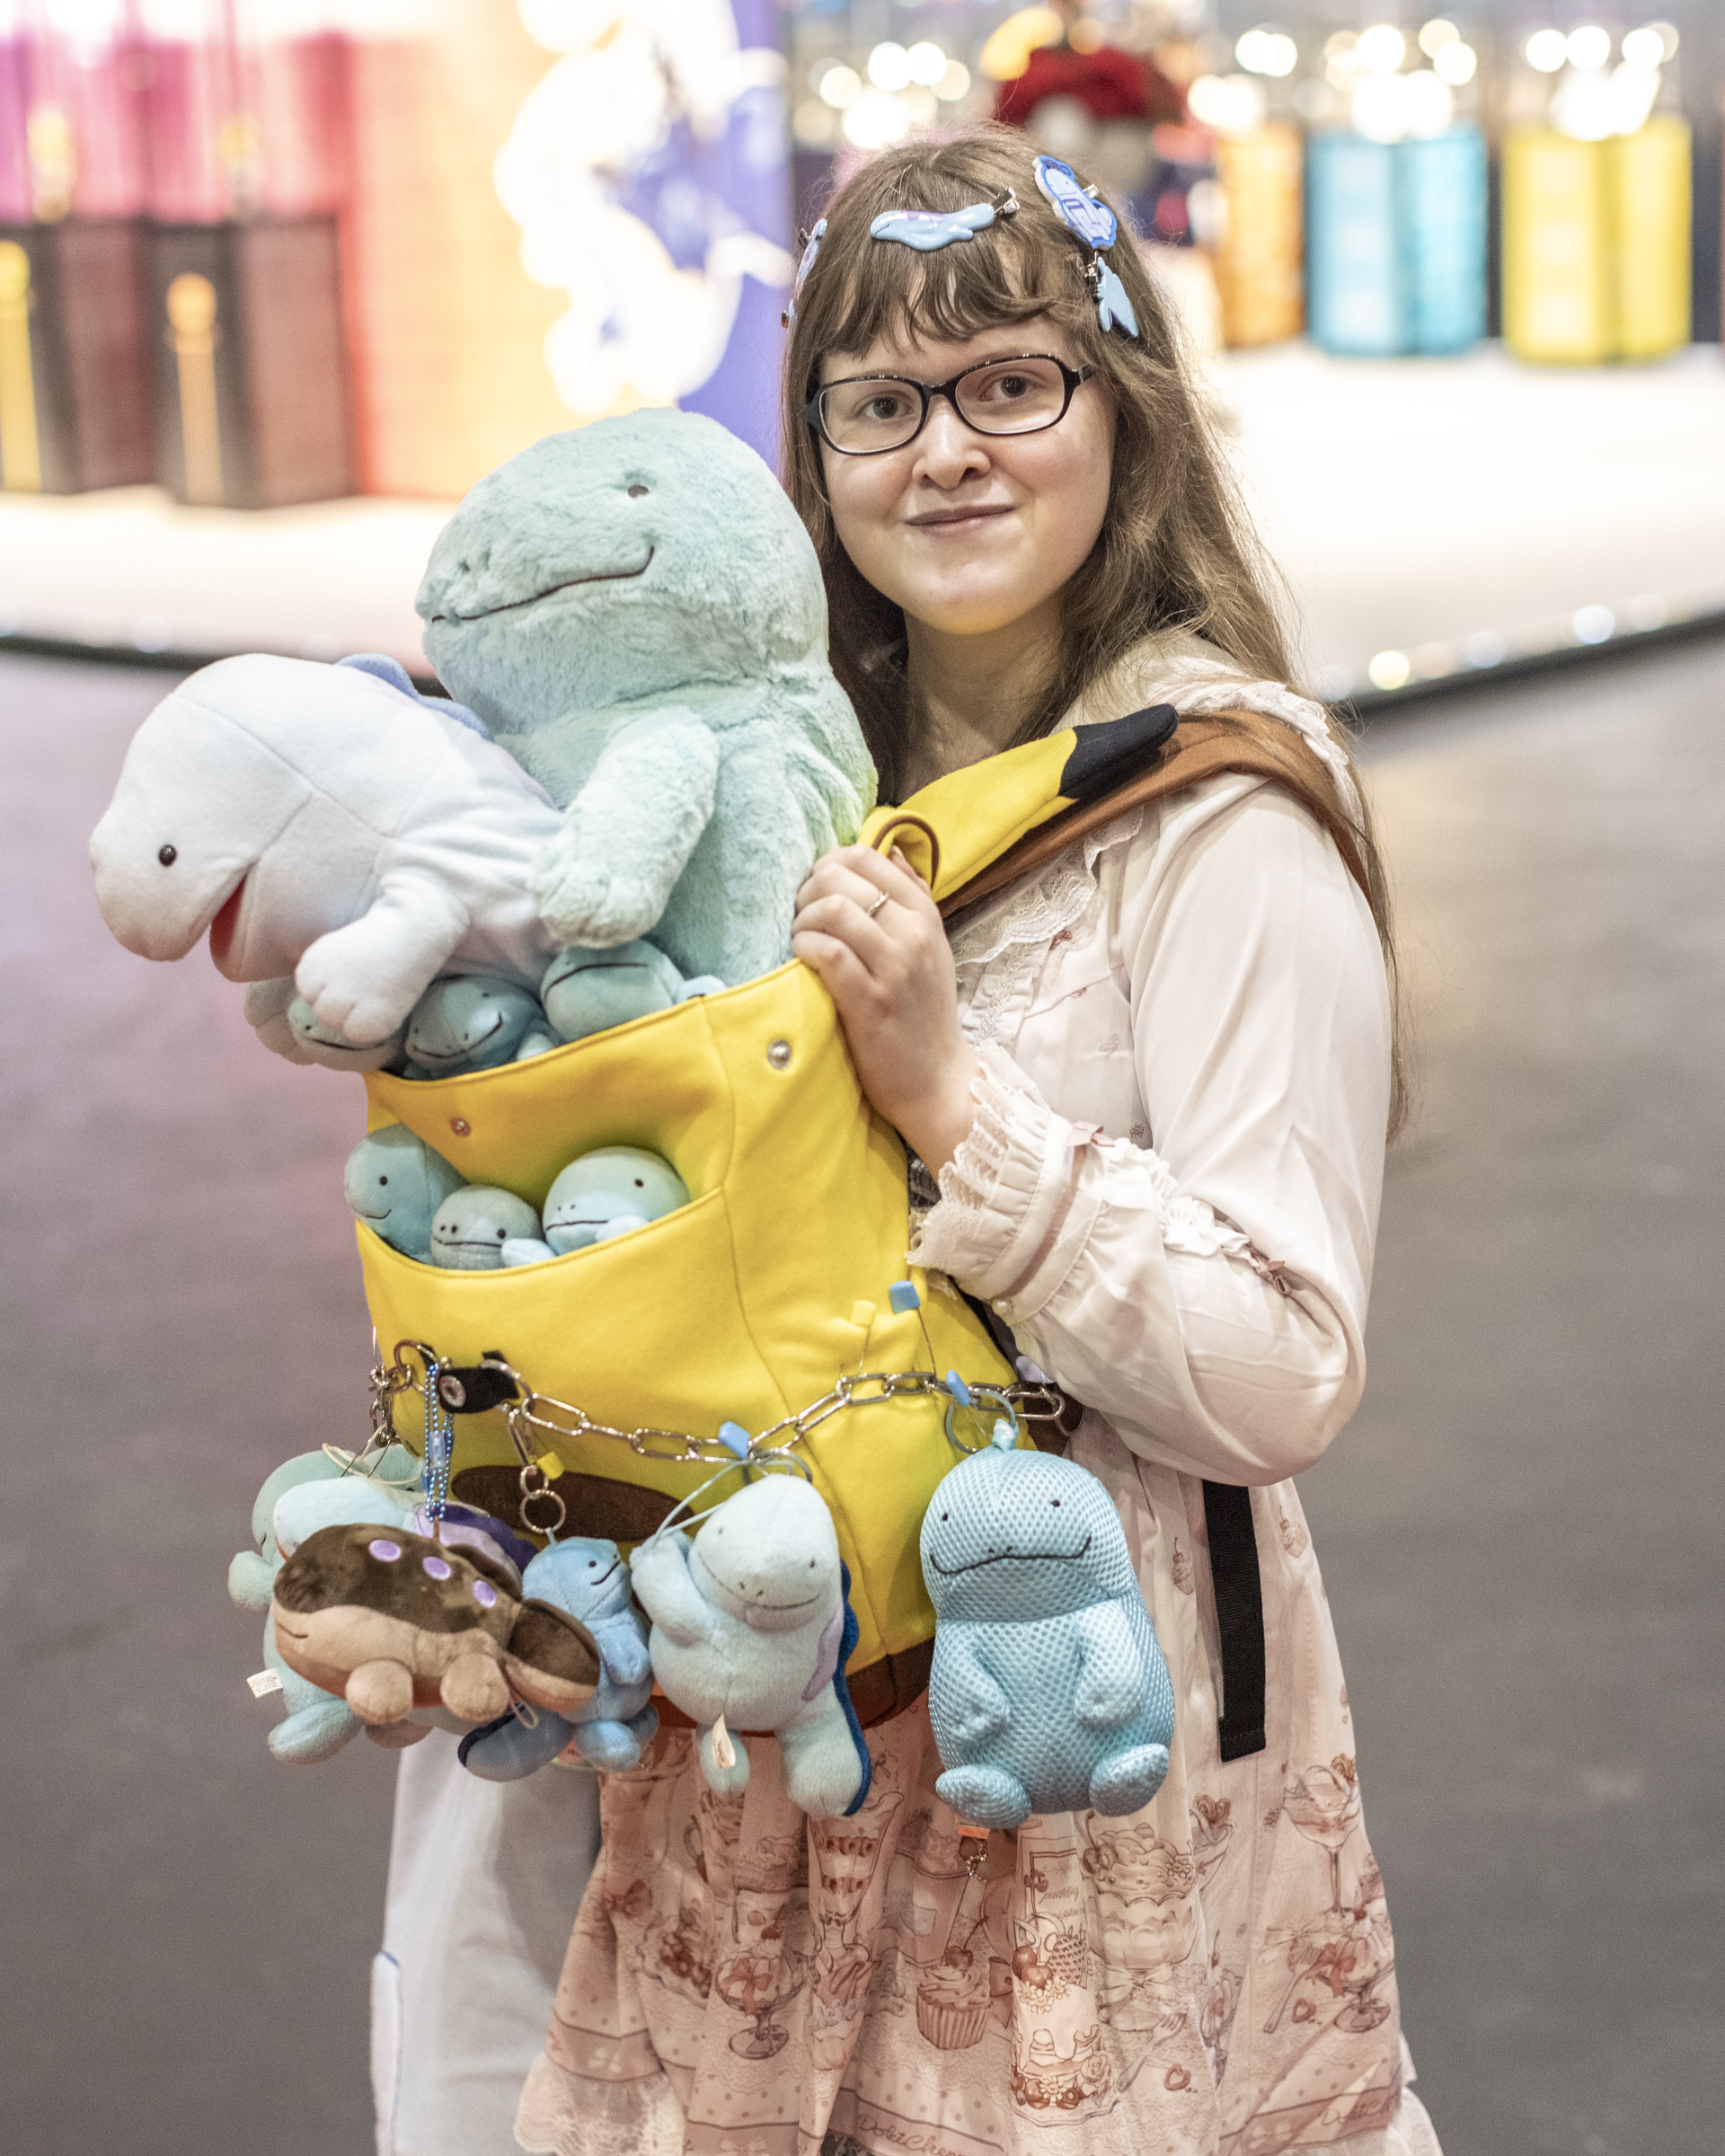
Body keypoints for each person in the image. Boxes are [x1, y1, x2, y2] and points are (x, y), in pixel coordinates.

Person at [513, 127, 1442, 2156]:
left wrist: (953, 1102)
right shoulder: (784, 775)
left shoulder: (1222, 810)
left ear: (1125, 410)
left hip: (1073, 1719)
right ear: (815, 455)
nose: (945, 451)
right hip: (778, 1696)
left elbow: (1283, 1369)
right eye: (880, 404)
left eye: (1012, 382)